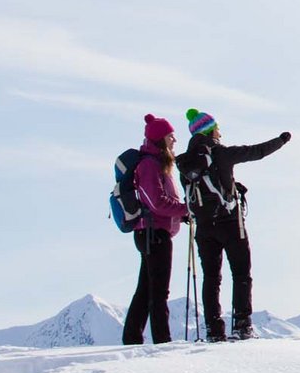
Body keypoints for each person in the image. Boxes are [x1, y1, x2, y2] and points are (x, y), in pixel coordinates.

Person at [177, 108, 290, 341]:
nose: (220, 132)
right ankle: (242, 326)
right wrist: (281, 140)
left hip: (204, 227)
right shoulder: (221, 153)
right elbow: (257, 151)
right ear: (210, 130)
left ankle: (214, 330)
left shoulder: (186, 163)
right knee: (241, 274)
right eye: (217, 128)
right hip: (230, 222)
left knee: (211, 278)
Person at [122, 114, 189, 345]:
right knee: (159, 291)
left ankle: (132, 338)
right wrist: (186, 209)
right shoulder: (150, 165)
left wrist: (181, 214)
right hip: (154, 233)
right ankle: (162, 340)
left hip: (150, 232)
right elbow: (157, 202)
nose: (174, 140)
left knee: (146, 289)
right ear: (160, 139)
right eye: (171, 136)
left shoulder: (155, 163)